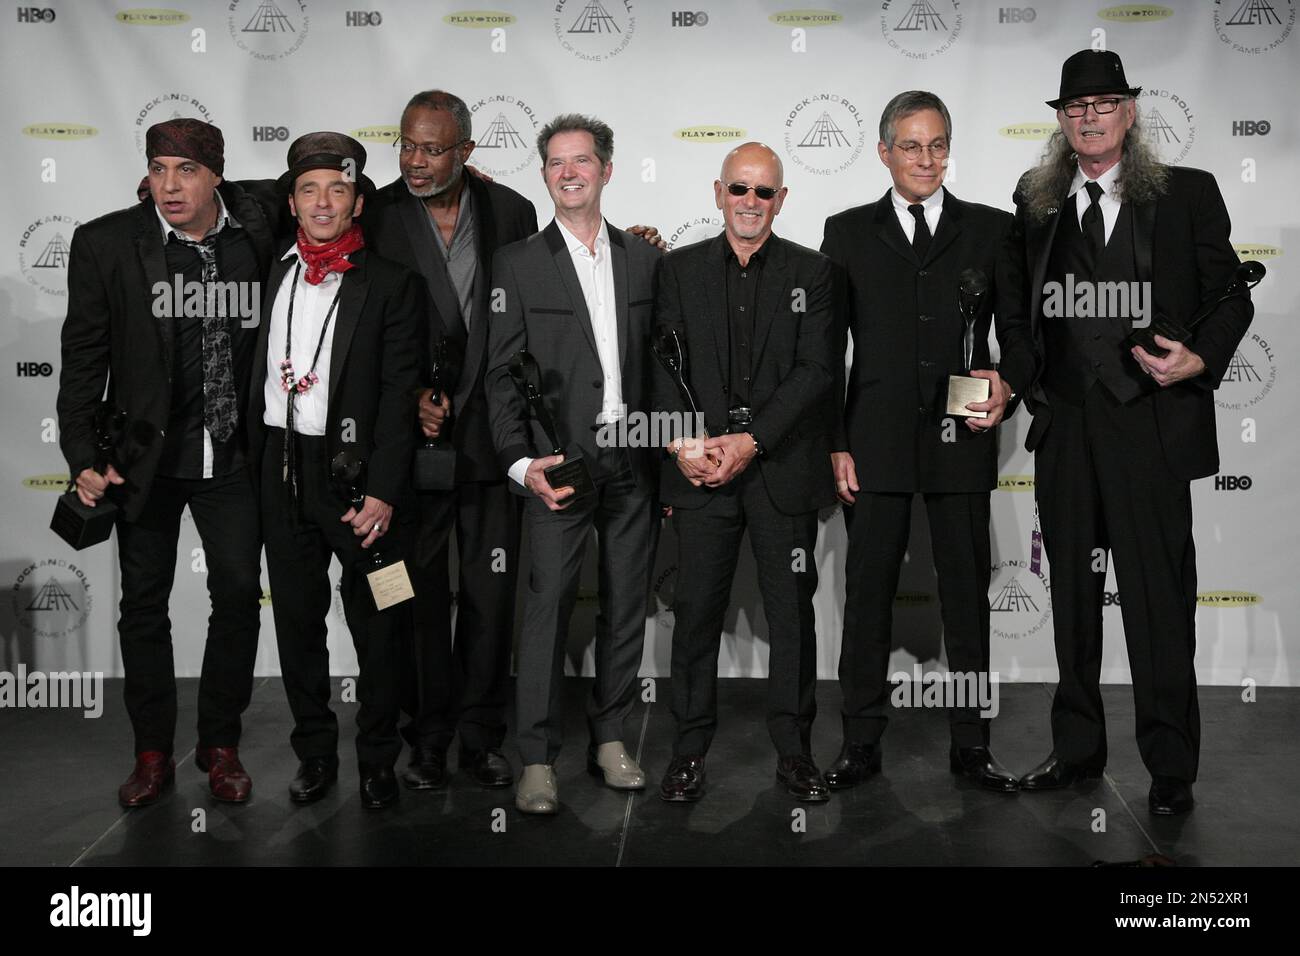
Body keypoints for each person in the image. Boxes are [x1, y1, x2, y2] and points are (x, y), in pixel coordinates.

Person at [997, 50, 1254, 815]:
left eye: (1104, 103)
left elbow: (1230, 293)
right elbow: (1019, 313)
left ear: (1130, 112)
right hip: (1068, 430)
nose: (1089, 116)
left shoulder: (1188, 195)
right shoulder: (1036, 199)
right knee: (1073, 601)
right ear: (1061, 121)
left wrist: (1201, 357)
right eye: (1075, 107)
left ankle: (1170, 767)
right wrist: (1017, 378)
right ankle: (1077, 751)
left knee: (1158, 604)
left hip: (1150, 428)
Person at [58, 119, 273, 807]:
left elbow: (333, 192)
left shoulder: (258, 229)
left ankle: (221, 744)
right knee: (143, 607)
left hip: (233, 456)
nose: (169, 186)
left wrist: (465, 189)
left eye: (185, 171)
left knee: (238, 597)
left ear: (216, 176)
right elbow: (83, 362)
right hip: (142, 460)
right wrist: (84, 456)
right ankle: (151, 752)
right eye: (158, 169)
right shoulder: (105, 243)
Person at [821, 92, 1018, 793]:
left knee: (966, 599)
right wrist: (837, 442)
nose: (926, 159)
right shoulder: (845, 232)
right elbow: (824, 351)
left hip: (961, 437)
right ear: (883, 153)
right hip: (872, 442)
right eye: (911, 145)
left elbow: (1019, 338)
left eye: (937, 145)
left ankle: (972, 746)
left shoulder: (993, 230)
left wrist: (1008, 385)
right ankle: (860, 744)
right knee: (867, 596)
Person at [485, 114, 662, 814]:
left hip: (635, 462)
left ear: (606, 171)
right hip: (557, 463)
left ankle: (612, 737)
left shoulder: (647, 260)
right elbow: (500, 375)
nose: (569, 172)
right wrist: (521, 462)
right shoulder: (517, 263)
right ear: (545, 174)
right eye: (556, 162)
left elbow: (662, 368)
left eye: (582, 161)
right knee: (545, 611)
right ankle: (535, 756)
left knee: (626, 607)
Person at [364, 90, 538, 791]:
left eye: (433, 148)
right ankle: (426, 738)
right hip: (414, 447)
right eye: (407, 144)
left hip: (494, 440)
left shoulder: (512, 212)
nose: (414, 160)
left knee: (491, 597)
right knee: (417, 596)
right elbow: (362, 327)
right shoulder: (374, 214)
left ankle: (481, 735)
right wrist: (408, 398)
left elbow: (526, 319)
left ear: (467, 151)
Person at [653, 142, 836, 803]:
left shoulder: (813, 274)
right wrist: (687, 445)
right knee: (696, 613)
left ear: (781, 200)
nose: (751, 202)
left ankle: (795, 754)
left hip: (779, 471)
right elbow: (661, 368)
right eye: (740, 189)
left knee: (791, 616)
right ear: (718, 192)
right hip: (701, 474)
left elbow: (817, 371)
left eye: (764, 192)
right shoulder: (676, 271)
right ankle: (687, 753)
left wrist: (752, 440)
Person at [247, 132, 423, 809]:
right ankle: (315, 753)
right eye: (310, 188)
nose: (323, 202)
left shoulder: (392, 284)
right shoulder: (267, 269)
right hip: (280, 466)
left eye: (338, 189)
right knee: (296, 620)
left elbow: (398, 400)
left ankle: (380, 757)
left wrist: (383, 490)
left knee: (384, 616)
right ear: (290, 201)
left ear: (357, 204)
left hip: (362, 479)